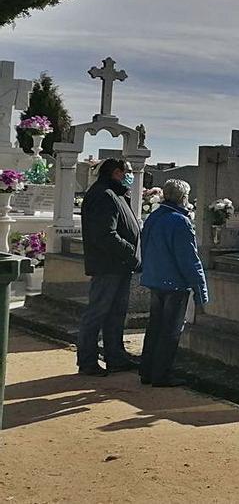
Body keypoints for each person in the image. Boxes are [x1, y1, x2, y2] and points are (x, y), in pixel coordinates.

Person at [138, 179, 208, 387]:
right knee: (170, 331)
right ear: (183, 198)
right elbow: (189, 259)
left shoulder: (153, 217)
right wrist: (200, 290)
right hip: (175, 283)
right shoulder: (181, 222)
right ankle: (161, 374)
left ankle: (147, 370)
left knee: (154, 327)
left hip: (155, 279)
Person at [78, 158, 141, 376]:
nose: (131, 176)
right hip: (108, 266)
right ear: (117, 172)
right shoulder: (103, 195)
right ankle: (87, 361)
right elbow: (105, 234)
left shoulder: (116, 194)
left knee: (115, 314)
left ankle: (115, 357)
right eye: (128, 171)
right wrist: (130, 252)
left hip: (119, 266)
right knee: (97, 313)